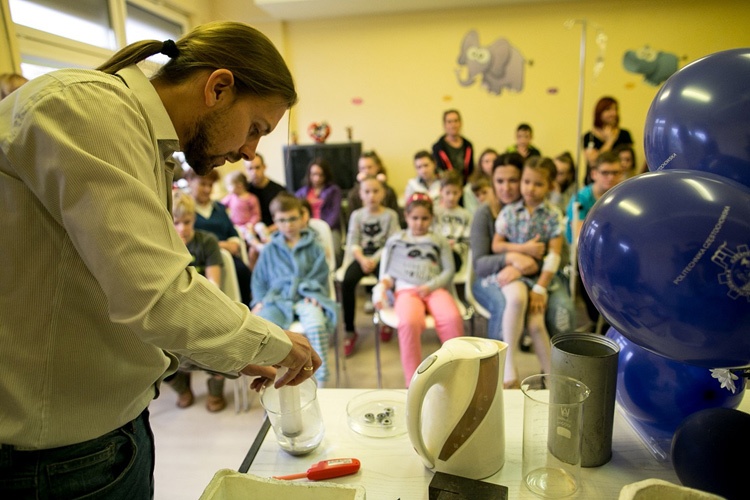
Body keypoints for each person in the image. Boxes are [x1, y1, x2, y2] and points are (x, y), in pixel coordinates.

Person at [0, 22, 322, 498]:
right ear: (218, 87)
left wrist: (227, 355)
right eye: (255, 128)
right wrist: (272, 343)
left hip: (103, 438)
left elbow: (107, 293)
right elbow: (156, 295)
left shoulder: (142, 141)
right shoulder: (88, 110)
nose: (248, 151)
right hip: (55, 459)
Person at [469, 153, 573, 360]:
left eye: (513, 180)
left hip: (542, 276)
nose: (506, 188)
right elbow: (480, 264)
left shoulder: (549, 213)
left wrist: (530, 266)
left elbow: (560, 256)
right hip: (496, 277)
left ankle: (561, 371)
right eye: (499, 181)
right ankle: (499, 370)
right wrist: (513, 259)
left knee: (562, 311)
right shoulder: (487, 213)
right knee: (506, 304)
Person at [374, 193, 464, 387]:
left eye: (425, 218)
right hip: (406, 291)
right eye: (415, 218)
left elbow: (449, 270)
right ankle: (413, 381)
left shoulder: (439, 240)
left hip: (435, 288)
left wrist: (430, 286)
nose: (419, 223)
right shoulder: (396, 241)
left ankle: (457, 373)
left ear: (431, 218)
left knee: (452, 318)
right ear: (406, 217)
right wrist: (381, 288)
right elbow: (389, 274)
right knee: (408, 322)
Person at [492, 157, 564, 388]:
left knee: (536, 323)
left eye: (538, 184)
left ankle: (554, 383)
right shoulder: (509, 212)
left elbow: (554, 255)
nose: (530, 189)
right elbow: (497, 245)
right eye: (526, 182)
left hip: (539, 277)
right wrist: (522, 249)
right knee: (516, 298)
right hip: (513, 272)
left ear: (550, 186)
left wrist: (540, 288)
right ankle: (509, 369)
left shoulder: (553, 215)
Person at [251, 194, 338, 385]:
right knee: (264, 328)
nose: (288, 225)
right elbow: (258, 280)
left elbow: (321, 275)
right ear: (275, 221)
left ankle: (321, 379)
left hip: (306, 297)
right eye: (282, 220)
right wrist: (259, 300)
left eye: (292, 219)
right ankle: (273, 377)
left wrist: (315, 292)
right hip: (277, 300)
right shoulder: (269, 250)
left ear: (302, 217)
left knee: (316, 324)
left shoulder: (315, 247)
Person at [168, 191, 228, 412]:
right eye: (176, 223)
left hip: (205, 308)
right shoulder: (165, 246)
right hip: (174, 311)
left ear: (194, 219)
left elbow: (214, 285)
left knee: (220, 345)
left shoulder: (207, 241)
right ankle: (182, 387)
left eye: (187, 222)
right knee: (157, 350)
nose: (182, 228)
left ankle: (215, 390)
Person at [340, 175, 400, 356]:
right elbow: (352, 241)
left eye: (376, 191)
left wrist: (374, 259)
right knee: (347, 282)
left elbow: (392, 242)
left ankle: (386, 321)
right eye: (367, 191)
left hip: (382, 258)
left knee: (388, 282)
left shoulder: (390, 215)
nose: (371, 195)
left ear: (383, 193)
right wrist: (362, 260)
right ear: (361, 194)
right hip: (361, 258)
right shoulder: (357, 215)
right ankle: (350, 330)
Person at [567, 151, 625, 334]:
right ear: (594, 174)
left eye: (615, 173)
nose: (610, 177)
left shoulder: (623, 196)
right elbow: (580, 237)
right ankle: (599, 320)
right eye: (605, 172)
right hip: (583, 253)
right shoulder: (581, 199)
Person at [185, 167, 253, 305]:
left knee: (243, 272)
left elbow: (233, 234)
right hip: (199, 257)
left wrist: (233, 244)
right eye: (203, 184)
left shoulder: (220, 208)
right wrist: (220, 245)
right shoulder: (186, 211)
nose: (207, 189)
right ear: (190, 181)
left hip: (228, 256)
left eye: (210, 185)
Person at [295, 157, 343, 265]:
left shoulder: (334, 191)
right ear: (309, 175)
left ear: (326, 175)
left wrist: (323, 229)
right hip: (306, 228)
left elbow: (335, 215)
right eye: (314, 174)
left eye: (320, 175)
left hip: (330, 228)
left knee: (334, 251)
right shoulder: (301, 193)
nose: (317, 178)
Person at [346, 150, 402, 227]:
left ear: (378, 167)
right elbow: (350, 222)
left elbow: (397, 218)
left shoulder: (389, 192)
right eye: (362, 168)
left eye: (369, 167)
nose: (366, 171)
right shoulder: (353, 194)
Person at [582, 96, 633, 175]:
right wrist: (609, 141)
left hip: (619, 178)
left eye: (615, 109)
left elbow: (628, 161)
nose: (613, 113)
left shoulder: (624, 134)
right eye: (608, 109)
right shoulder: (589, 136)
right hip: (595, 180)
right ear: (599, 112)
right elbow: (593, 162)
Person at [433, 171, 472, 273]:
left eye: (455, 193)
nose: (451, 197)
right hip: (436, 255)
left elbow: (468, 241)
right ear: (441, 191)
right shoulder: (434, 213)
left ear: (461, 192)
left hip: (457, 257)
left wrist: (455, 247)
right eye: (448, 193)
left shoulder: (466, 215)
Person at [432, 109, 474, 184]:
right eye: (449, 122)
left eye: (456, 121)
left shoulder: (468, 145)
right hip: (446, 185)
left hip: (465, 185)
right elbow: (437, 171)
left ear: (460, 123)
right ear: (444, 125)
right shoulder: (437, 148)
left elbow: (471, 169)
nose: (453, 125)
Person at [245, 152, 286, 229]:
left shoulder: (279, 191)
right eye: (250, 168)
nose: (254, 172)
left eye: (257, 167)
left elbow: (285, 217)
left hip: (276, 231)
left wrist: (268, 231)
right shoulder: (244, 191)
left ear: (264, 167)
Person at [222, 170, 261, 241]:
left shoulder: (252, 198)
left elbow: (256, 214)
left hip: (250, 225)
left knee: (261, 227)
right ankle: (256, 245)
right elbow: (220, 206)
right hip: (237, 226)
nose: (228, 188)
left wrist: (251, 224)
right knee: (244, 234)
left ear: (239, 185)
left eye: (230, 185)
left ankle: (267, 243)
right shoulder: (230, 197)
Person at [463, 147, 498, 214]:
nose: (491, 164)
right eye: (487, 161)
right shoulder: (470, 187)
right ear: (481, 164)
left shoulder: (502, 184)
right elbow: (471, 211)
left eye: (494, 161)